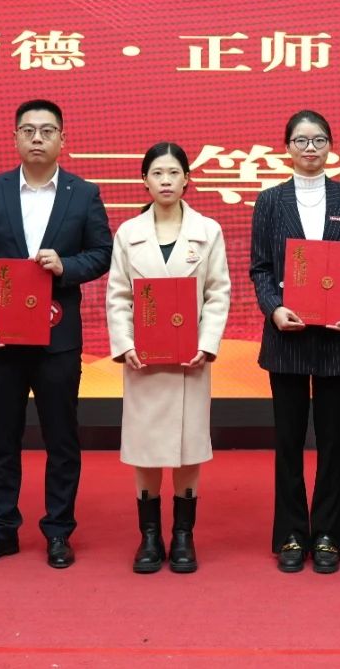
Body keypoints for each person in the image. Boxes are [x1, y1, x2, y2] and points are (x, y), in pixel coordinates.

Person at [0, 99, 112, 569]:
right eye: (28, 130)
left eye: (47, 130)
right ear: (15, 139)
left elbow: (103, 253)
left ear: (63, 139)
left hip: (58, 338)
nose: (38, 138)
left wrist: (67, 266)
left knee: (61, 438)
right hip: (2, 337)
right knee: (1, 437)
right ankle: (0, 530)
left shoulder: (83, 194)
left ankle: (58, 531)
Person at [249, 110, 340, 574]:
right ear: (287, 147)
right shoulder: (269, 201)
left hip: (336, 339)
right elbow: (260, 268)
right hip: (287, 337)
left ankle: (327, 535)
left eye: (319, 140)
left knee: (332, 443)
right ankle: (290, 533)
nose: (310, 148)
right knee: (288, 442)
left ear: (330, 147)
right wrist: (273, 308)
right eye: (301, 140)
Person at [105, 142, 230, 574]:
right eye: (157, 173)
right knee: (145, 449)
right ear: (144, 180)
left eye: (173, 173)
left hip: (189, 361)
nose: (165, 181)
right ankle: (149, 536)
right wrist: (125, 345)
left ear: (186, 179)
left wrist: (206, 344)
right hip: (144, 362)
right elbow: (118, 297)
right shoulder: (128, 233)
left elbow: (218, 293)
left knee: (188, 447)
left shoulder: (208, 230)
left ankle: (182, 535)